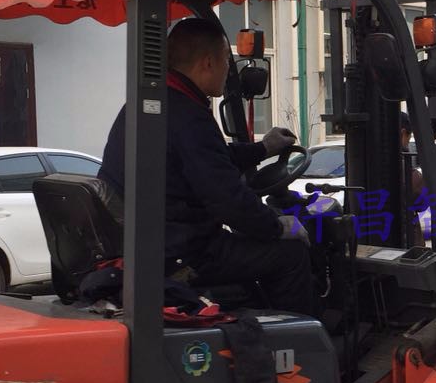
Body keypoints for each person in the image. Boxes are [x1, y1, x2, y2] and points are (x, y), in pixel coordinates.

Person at [97, 17, 317, 316]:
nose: (228, 69)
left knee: (253, 244)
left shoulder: (151, 105)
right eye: (227, 60)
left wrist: (263, 148)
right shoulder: (189, 117)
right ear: (209, 63)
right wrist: (278, 225)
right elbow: (227, 198)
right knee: (291, 254)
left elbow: (210, 159)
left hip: (154, 244)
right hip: (184, 253)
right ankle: (300, 336)